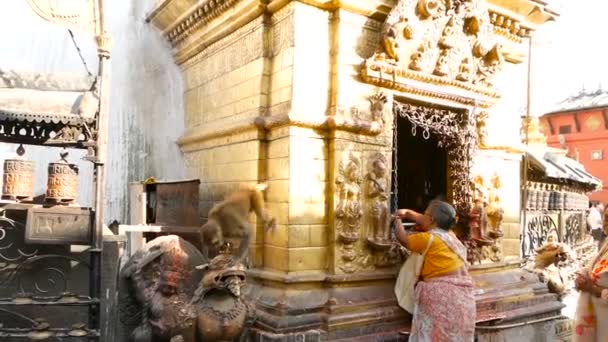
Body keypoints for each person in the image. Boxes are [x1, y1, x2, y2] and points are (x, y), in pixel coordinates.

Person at [393, 200, 475, 342]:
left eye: (425, 213)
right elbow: (423, 219)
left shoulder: (428, 238)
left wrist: (397, 220)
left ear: (431, 219)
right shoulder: (451, 236)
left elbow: (403, 239)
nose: (421, 215)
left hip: (441, 296)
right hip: (464, 299)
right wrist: (406, 213)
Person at [573, 240, 608, 341]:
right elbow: (594, 271)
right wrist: (582, 279)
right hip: (599, 325)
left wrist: (592, 289)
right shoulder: (605, 245)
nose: (604, 224)